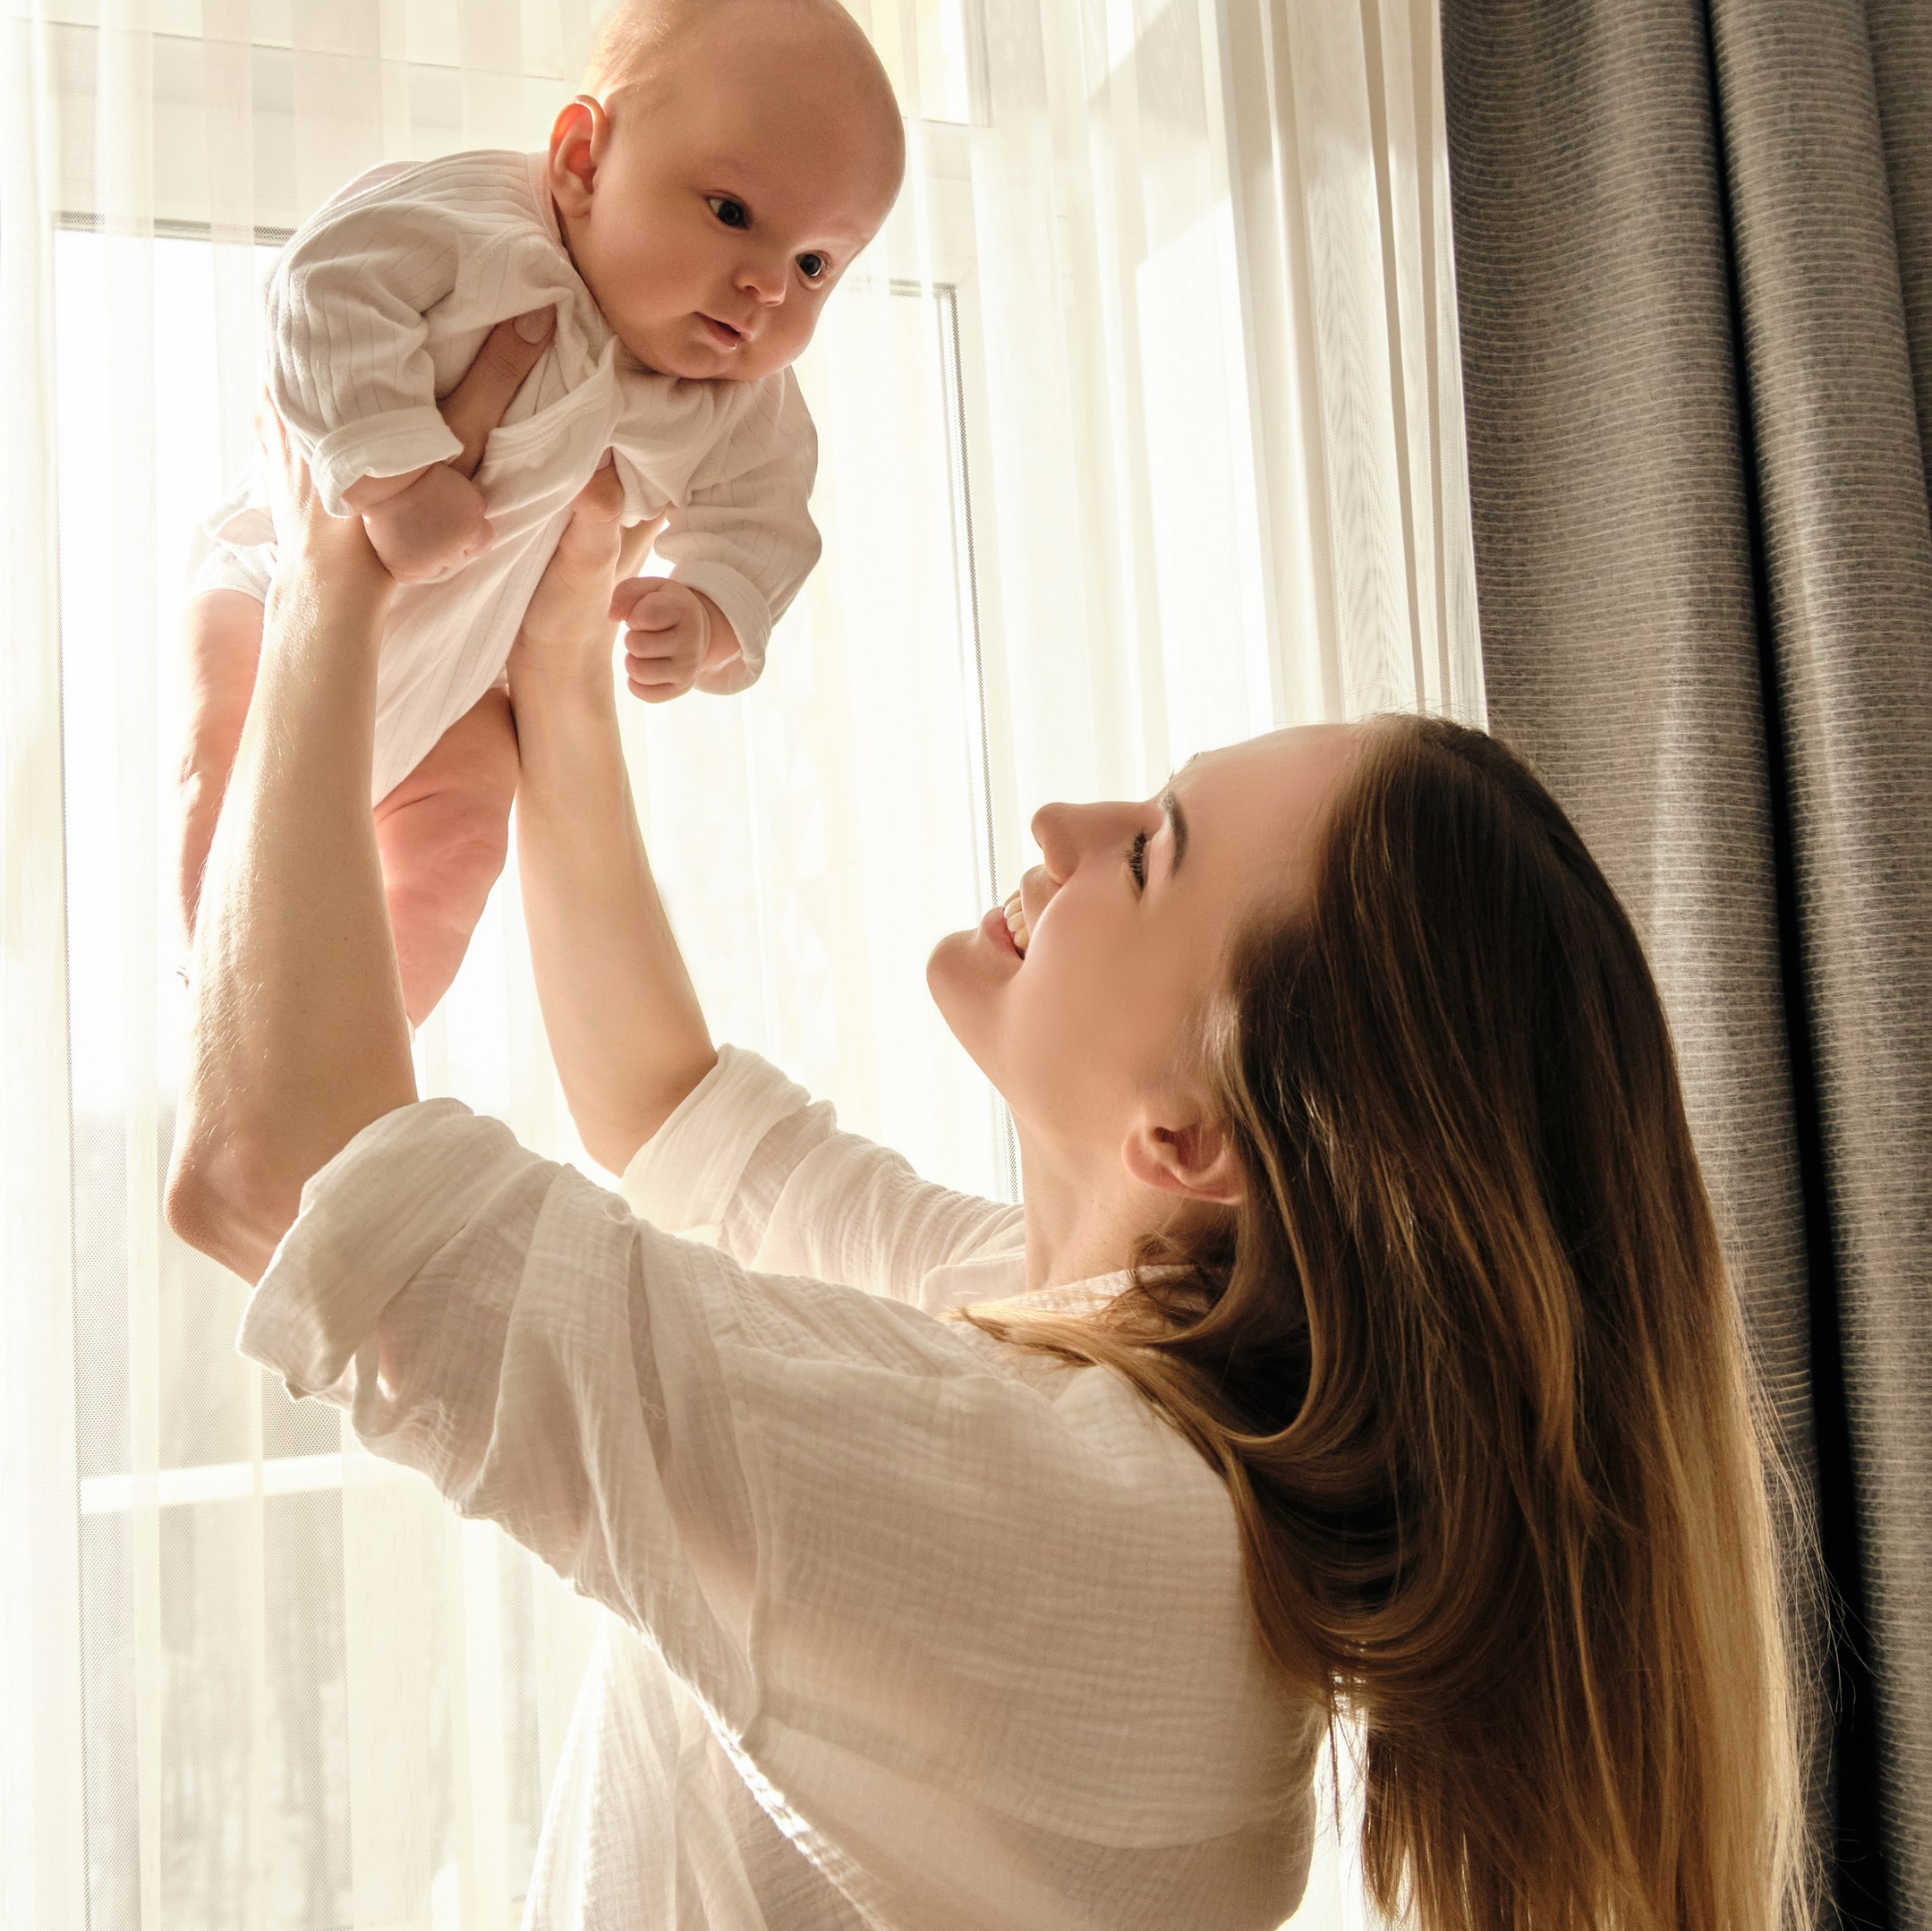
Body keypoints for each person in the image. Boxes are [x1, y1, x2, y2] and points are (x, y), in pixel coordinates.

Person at [167, 323, 1811, 1929]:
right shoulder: (1092, 1386)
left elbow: (278, 1177)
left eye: (1152, 850)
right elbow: (669, 1111)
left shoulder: (1094, 1534)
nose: (1060, 824)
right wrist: (561, 654)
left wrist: (338, 552)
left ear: (1194, 1142)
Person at [174, 0, 906, 1023]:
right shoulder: (478, 226)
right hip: (281, 584)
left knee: (462, 842)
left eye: (814, 266)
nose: (765, 286)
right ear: (579, 158)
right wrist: (396, 472)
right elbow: (322, 289)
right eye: (730, 211)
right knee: (218, 762)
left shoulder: (743, 402)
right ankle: (217, 1001)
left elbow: (767, 520)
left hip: (466, 686)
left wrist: (706, 613)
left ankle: (347, 1062)